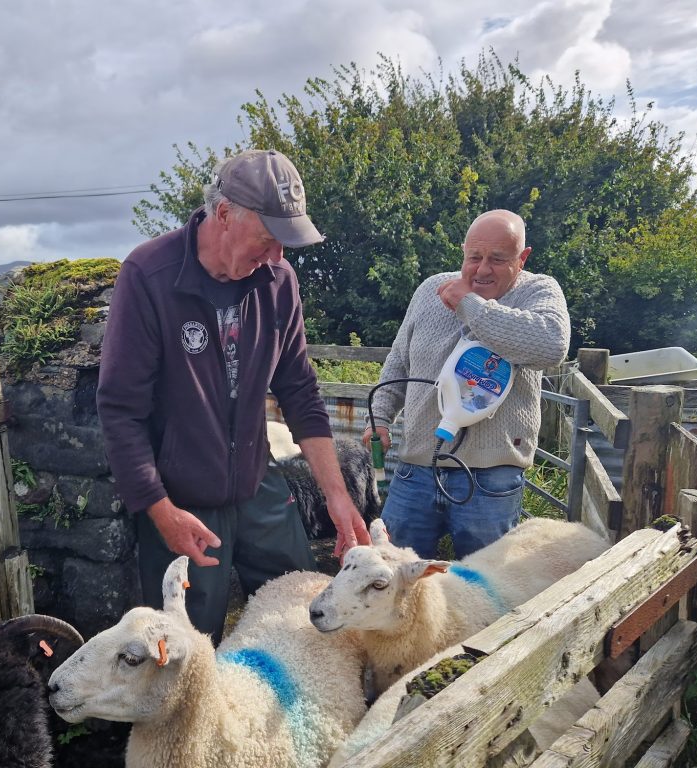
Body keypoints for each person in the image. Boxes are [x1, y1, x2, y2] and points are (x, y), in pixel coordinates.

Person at [97, 148, 371, 644]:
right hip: (179, 498)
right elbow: (120, 410)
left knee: (303, 615)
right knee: (185, 645)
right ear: (223, 214)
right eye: (268, 240)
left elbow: (300, 390)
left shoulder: (278, 282)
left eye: (285, 245)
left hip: (256, 479)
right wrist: (160, 511)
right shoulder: (148, 275)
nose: (276, 258)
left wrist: (336, 494)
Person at [363, 209, 570, 560]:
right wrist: (380, 417)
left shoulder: (538, 291)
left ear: (523, 258)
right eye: (474, 257)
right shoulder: (430, 289)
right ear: (463, 251)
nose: (482, 269)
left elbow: (552, 345)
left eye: (498, 259)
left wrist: (470, 306)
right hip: (416, 467)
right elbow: (399, 359)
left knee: (484, 586)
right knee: (391, 575)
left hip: (491, 478)